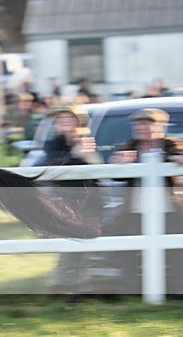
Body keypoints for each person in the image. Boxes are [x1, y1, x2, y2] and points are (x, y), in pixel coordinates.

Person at [105, 107, 183, 295]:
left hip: (169, 212)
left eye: (147, 123)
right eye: (138, 124)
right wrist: (117, 164)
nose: (141, 128)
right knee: (128, 254)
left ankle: (177, 292)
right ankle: (130, 293)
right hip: (135, 213)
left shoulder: (172, 146)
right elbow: (113, 176)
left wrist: (176, 160)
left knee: (177, 254)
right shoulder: (128, 149)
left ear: (160, 127)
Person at [43, 104, 102, 296]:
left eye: (69, 118)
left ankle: (79, 288)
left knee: (85, 245)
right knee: (67, 246)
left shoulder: (88, 141)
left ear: (79, 122)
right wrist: (76, 156)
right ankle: (58, 286)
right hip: (66, 202)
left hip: (90, 201)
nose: (65, 123)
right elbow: (56, 166)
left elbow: (97, 169)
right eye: (61, 119)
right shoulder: (53, 143)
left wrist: (86, 156)